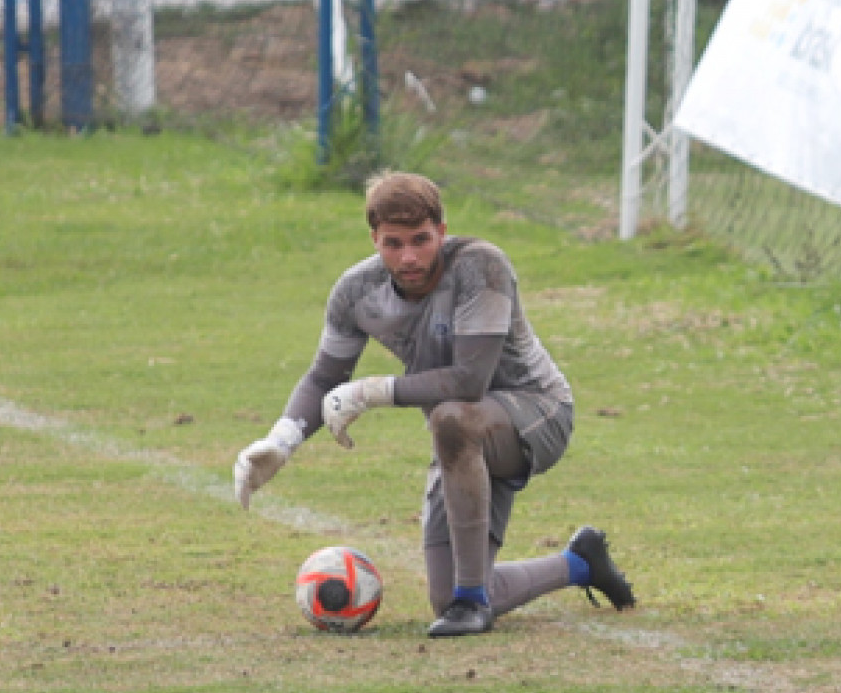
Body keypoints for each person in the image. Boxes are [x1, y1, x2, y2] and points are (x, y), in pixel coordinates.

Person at [230, 170, 635, 639]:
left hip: (536, 412)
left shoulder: (481, 266)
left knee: (450, 419)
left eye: (421, 240)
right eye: (393, 243)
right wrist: (281, 440)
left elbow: (469, 380)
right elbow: (325, 376)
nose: (409, 257)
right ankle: (579, 563)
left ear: (443, 231)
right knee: (447, 597)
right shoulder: (356, 291)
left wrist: (372, 391)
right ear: (374, 240)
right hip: (460, 439)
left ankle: (472, 602)